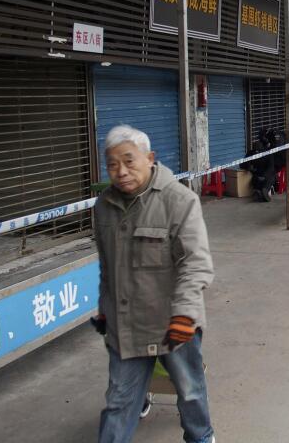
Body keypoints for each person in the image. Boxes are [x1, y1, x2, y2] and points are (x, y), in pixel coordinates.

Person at [93, 125, 216, 443]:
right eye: (112, 165)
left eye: (129, 161)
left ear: (150, 158)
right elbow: (107, 268)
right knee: (119, 401)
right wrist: (104, 309)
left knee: (189, 392)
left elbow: (195, 264)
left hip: (172, 323)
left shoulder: (179, 200)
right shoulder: (103, 207)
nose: (120, 172)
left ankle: (201, 439)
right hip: (126, 326)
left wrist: (185, 315)